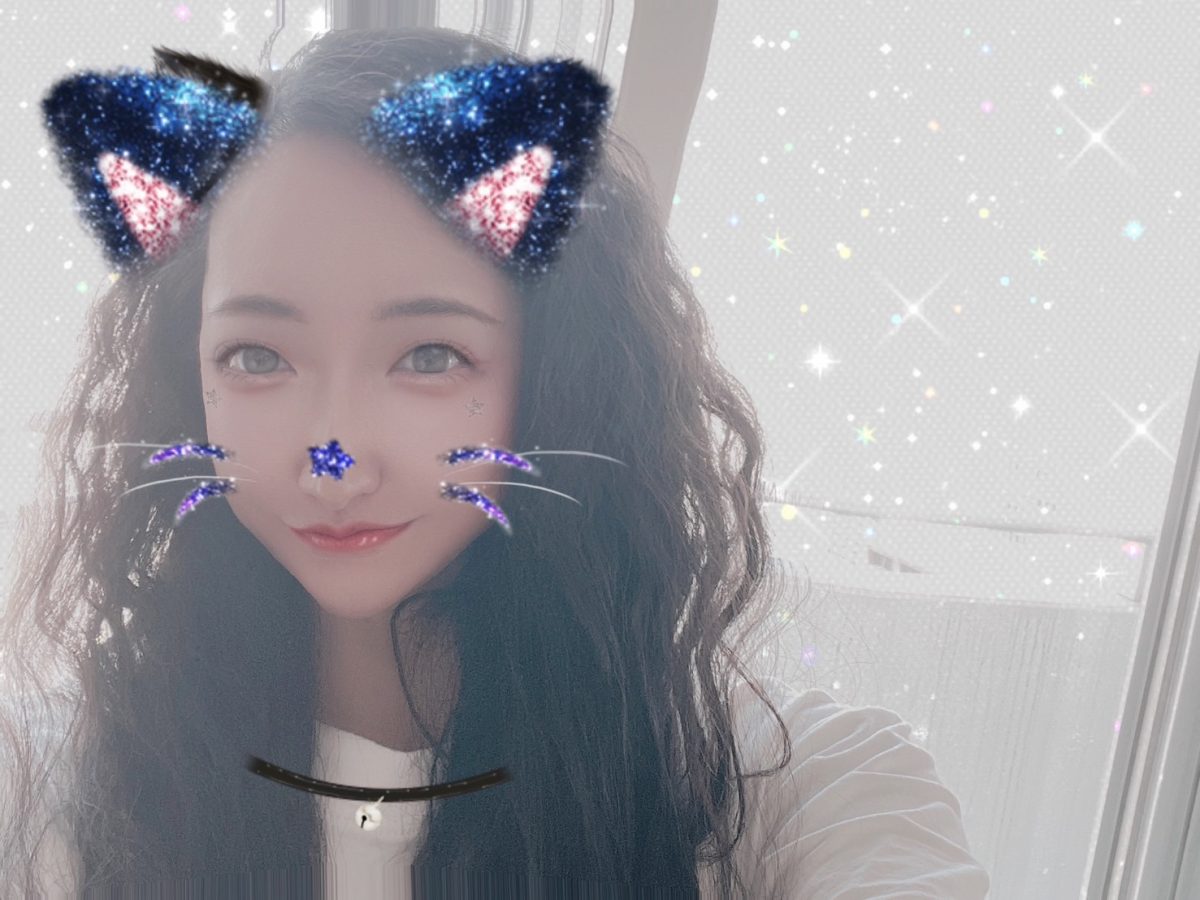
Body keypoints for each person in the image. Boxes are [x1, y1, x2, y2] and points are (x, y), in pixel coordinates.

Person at [0, 26, 992, 899]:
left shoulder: (801, 790)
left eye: (430, 356)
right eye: (257, 357)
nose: (334, 458)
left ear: (561, 374)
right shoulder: (46, 790)